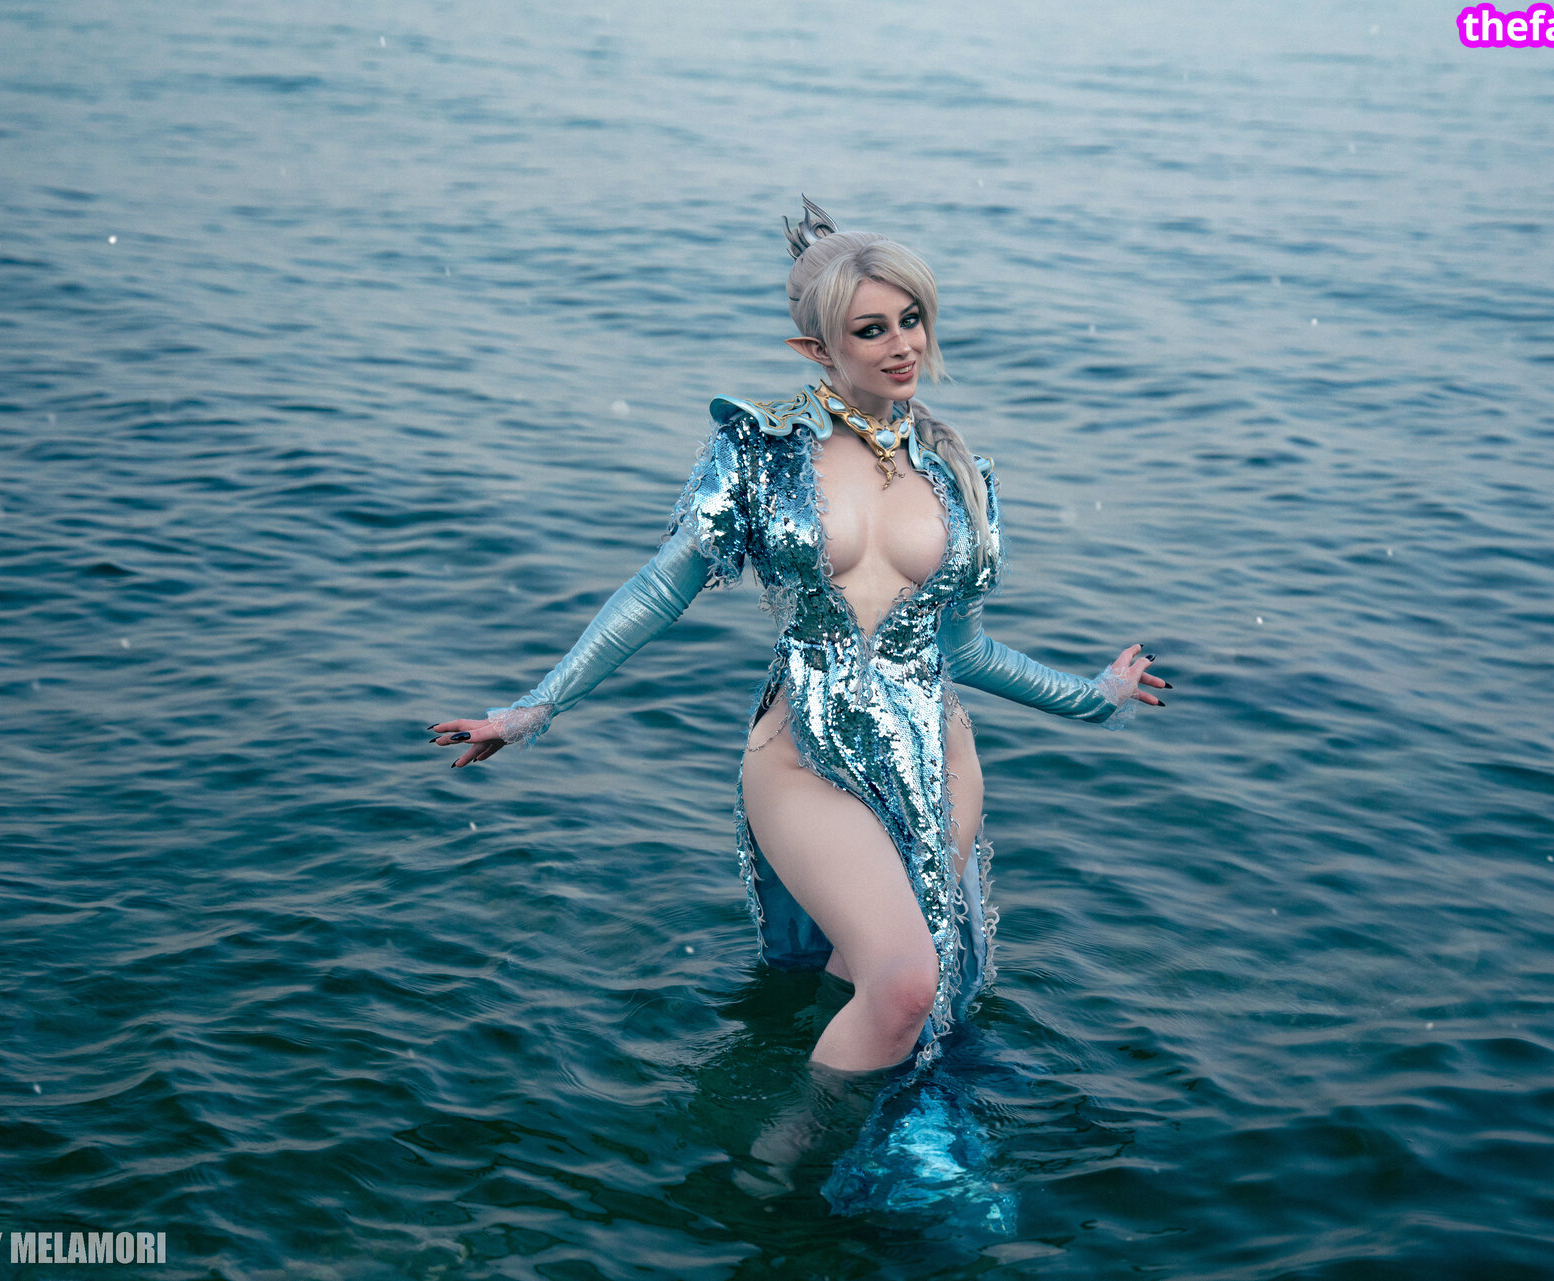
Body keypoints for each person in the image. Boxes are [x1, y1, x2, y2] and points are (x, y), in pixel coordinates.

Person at [430, 198, 1167, 1074]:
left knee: (879, 974)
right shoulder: (761, 455)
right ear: (816, 349)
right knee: (905, 984)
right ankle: (789, 1155)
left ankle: (881, 1133)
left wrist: (1096, 698)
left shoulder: (959, 475)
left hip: (937, 756)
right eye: (871, 330)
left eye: (912, 319)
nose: (903, 345)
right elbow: (659, 590)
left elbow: (964, 651)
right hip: (802, 760)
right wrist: (534, 708)